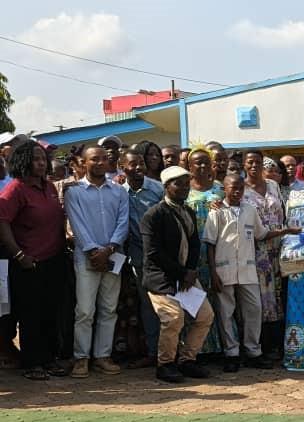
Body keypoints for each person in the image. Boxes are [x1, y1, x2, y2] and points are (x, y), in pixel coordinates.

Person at [204, 175, 298, 372]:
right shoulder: (217, 212)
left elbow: (261, 234)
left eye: (240, 188)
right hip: (224, 269)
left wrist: (286, 231)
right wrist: (213, 272)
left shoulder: (250, 210)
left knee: (254, 309)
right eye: (233, 188)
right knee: (226, 313)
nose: (237, 192)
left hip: (247, 269)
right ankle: (231, 353)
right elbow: (210, 244)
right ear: (224, 189)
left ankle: (253, 352)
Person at [0, 141, 68, 380]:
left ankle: (49, 359)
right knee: (31, 314)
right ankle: (32, 363)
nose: (41, 163)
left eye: (42, 159)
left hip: (54, 260)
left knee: (50, 311)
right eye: (35, 159)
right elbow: (2, 223)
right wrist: (19, 254)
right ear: (23, 162)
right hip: (28, 263)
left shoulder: (48, 186)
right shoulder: (15, 189)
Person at [140, 166, 214, 383]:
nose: (184, 188)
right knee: (173, 318)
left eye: (186, 183)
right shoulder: (154, 215)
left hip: (185, 277)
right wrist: (182, 273)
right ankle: (165, 364)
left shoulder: (188, 212)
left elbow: (194, 244)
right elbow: (154, 253)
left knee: (205, 315)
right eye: (177, 183)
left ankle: (187, 359)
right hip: (161, 278)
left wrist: (189, 271)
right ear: (166, 187)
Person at [63, 145, 129, 378]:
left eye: (104, 158)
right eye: (94, 159)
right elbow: (77, 224)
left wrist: (109, 249)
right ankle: (81, 358)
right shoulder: (74, 192)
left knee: (109, 309)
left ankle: (102, 356)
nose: (100, 163)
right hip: (86, 258)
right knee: (84, 310)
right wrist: (94, 251)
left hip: (113, 256)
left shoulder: (119, 191)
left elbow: (123, 222)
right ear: (84, 162)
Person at [243, 150, 287, 359]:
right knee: (261, 296)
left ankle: (281, 342)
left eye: (258, 162)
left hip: (279, 246)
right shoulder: (240, 189)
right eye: (250, 162)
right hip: (255, 249)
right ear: (244, 165)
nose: (254, 166)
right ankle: (263, 344)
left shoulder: (273, 185)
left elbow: (283, 213)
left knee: (279, 293)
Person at [122, 149, 164, 369]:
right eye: (133, 164)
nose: (139, 167)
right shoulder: (119, 192)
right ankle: (153, 352)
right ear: (122, 167)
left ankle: (172, 351)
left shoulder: (158, 189)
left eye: (141, 163)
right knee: (148, 306)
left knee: (169, 304)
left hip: (162, 257)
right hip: (138, 258)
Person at [185, 147, 225, 356]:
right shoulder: (184, 189)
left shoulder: (220, 189)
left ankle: (218, 348)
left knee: (218, 298)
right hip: (192, 251)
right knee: (194, 300)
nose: (202, 166)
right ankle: (195, 350)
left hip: (218, 249)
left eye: (206, 162)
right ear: (189, 166)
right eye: (197, 162)